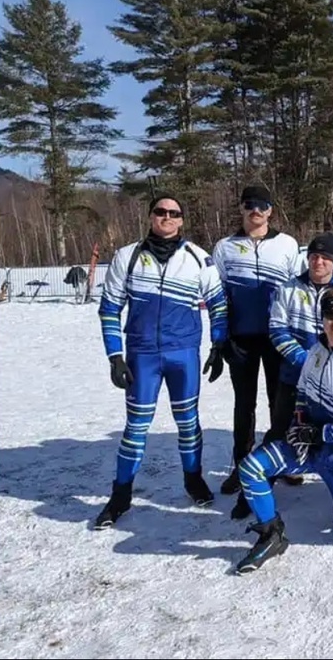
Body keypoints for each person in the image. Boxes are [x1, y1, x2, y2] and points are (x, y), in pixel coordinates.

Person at [94, 194, 229, 529]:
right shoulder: (127, 256)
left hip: (183, 353)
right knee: (136, 427)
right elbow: (109, 308)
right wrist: (114, 355)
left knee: (187, 422)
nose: (167, 217)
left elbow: (218, 305)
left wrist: (217, 346)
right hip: (142, 356)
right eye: (160, 212)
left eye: (174, 213)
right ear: (151, 216)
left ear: (182, 220)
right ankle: (121, 494)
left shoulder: (199, 258)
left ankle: (193, 479)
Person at [234, 287, 333, 573]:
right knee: (251, 468)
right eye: (331, 314)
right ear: (322, 318)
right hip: (310, 448)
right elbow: (303, 394)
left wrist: (319, 435)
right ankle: (272, 533)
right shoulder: (316, 352)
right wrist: (299, 423)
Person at [229, 233, 333, 521]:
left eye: (325, 258)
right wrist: (306, 360)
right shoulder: (289, 289)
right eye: (314, 257)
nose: (318, 262)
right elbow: (277, 330)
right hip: (294, 377)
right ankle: (252, 492)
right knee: (279, 431)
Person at [213, 185, 302, 495]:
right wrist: (219, 338)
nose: (256, 210)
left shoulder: (287, 245)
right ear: (241, 208)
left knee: (281, 402)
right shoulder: (224, 247)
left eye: (262, 205)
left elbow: (298, 291)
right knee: (244, 403)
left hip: (279, 336)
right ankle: (241, 464)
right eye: (249, 204)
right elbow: (218, 295)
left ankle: (282, 461)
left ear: (270, 211)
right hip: (241, 338)